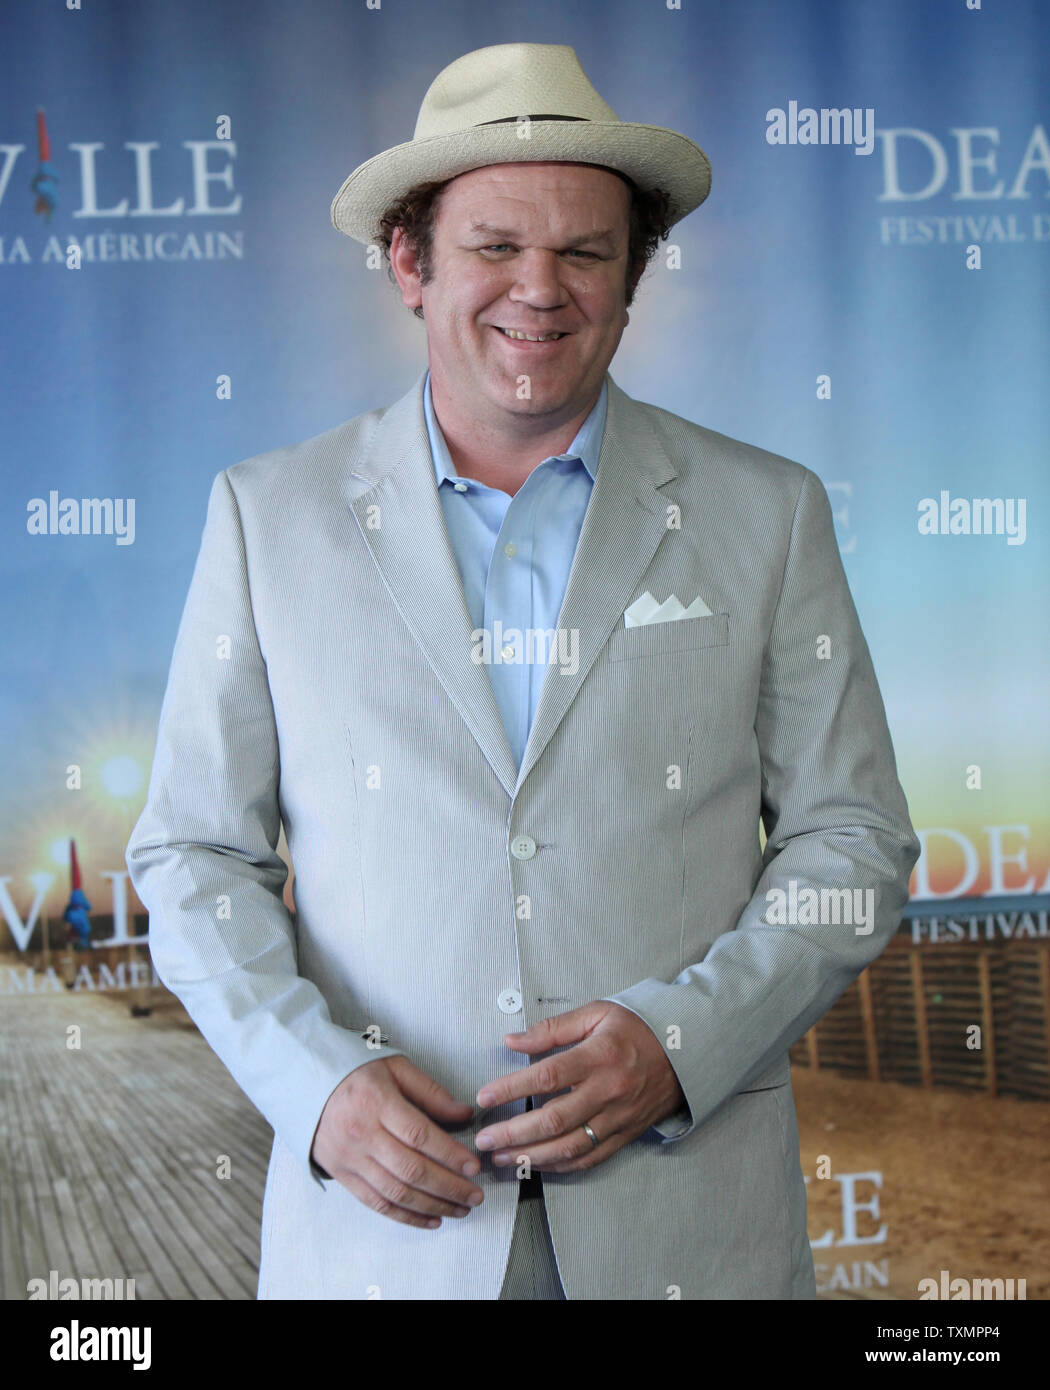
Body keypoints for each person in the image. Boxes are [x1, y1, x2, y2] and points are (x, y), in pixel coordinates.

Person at [126, 42, 920, 1300]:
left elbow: (854, 839)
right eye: (495, 245)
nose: (539, 290)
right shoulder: (266, 519)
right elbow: (192, 855)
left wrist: (682, 1043)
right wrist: (319, 1089)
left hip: (690, 1231)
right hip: (381, 1251)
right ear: (407, 261)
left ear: (634, 274)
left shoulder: (769, 513)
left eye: (585, 252)